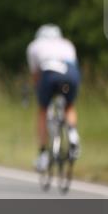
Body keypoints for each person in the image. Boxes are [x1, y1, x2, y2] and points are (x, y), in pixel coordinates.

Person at [26, 24, 82, 172]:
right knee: (69, 105)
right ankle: (73, 134)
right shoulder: (67, 44)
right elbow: (74, 65)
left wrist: (38, 90)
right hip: (71, 74)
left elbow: (36, 75)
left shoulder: (34, 46)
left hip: (49, 73)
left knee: (43, 110)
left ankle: (43, 154)